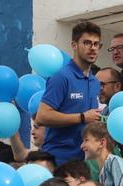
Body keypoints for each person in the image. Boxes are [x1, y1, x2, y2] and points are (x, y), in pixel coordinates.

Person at [36, 20, 103, 166]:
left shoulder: (95, 82)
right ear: (74, 45)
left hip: (85, 163)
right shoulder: (62, 76)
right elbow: (42, 116)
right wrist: (82, 117)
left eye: (96, 44)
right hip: (59, 161)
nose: (92, 48)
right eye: (87, 43)